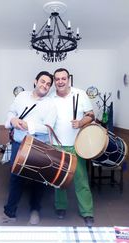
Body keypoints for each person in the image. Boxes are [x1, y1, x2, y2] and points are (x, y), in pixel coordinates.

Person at [0, 71, 56, 225]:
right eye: (42, 81)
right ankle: (9, 213)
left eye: (48, 84)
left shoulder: (50, 104)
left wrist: (28, 125)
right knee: (15, 178)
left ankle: (35, 210)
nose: (45, 85)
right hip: (19, 144)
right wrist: (12, 119)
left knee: (37, 179)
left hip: (39, 147)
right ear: (35, 81)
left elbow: (48, 128)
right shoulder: (21, 96)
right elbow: (11, 111)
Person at [51, 68, 95, 227]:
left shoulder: (80, 94)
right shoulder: (50, 97)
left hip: (77, 144)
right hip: (56, 145)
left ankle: (87, 212)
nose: (60, 81)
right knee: (59, 180)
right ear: (54, 80)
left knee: (81, 180)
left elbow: (91, 114)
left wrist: (81, 122)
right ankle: (60, 206)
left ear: (68, 79)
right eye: (57, 79)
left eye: (63, 78)